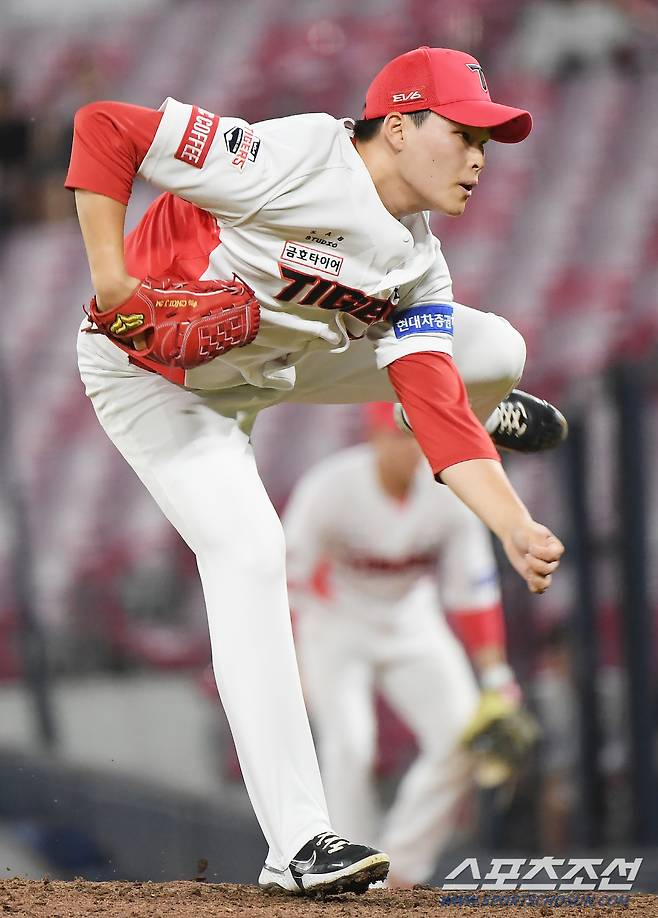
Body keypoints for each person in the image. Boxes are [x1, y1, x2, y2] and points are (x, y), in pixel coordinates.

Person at [65, 45, 565, 896]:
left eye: (490, 140)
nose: (480, 157)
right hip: (158, 379)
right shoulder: (289, 158)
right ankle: (297, 844)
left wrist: (514, 524)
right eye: (465, 132)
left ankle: (477, 399)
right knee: (251, 553)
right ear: (399, 128)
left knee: (497, 350)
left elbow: (440, 427)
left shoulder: (418, 263)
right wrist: (114, 286)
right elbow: (104, 128)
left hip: (283, 362)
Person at [284, 403, 523, 888]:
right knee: (350, 746)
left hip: (412, 620)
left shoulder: (451, 493)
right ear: (373, 436)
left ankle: (402, 873)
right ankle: (351, 875)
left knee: (462, 738)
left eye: (416, 436)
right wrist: (295, 665)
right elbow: (289, 582)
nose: (409, 446)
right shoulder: (330, 488)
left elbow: (472, 592)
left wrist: (498, 677)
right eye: (397, 435)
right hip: (335, 623)